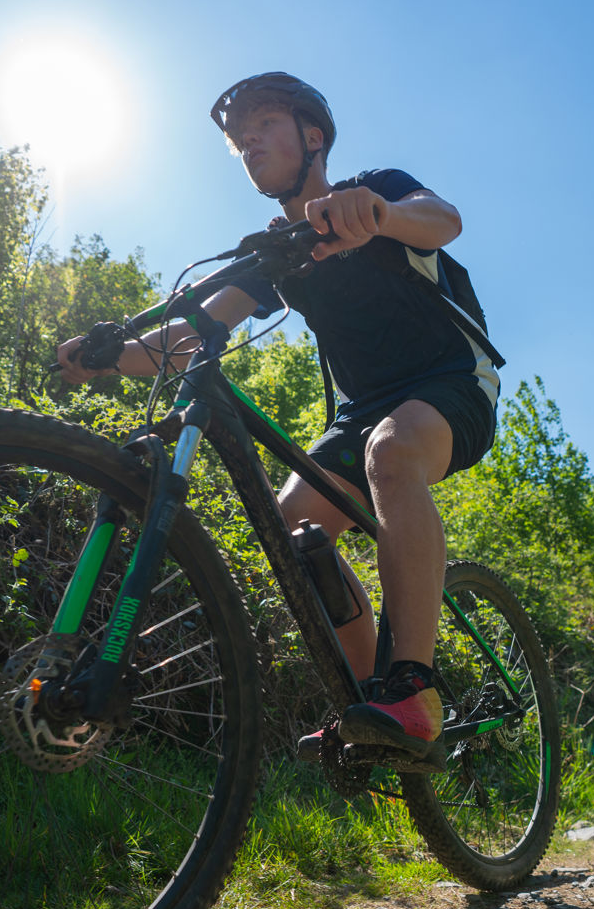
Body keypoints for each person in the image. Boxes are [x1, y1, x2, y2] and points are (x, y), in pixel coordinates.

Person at [55, 72, 499, 764]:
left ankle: (415, 686)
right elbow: (194, 333)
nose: (248, 142)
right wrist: (111, 356)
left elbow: (443, 219)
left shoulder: (374, 187)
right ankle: (368, 700)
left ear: (312, 136)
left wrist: (375, 212)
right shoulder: (275, 252)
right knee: (293, 532)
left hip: (450, 386)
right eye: (239, 140)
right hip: (362, 413)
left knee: (391, 452)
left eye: (262, 125)